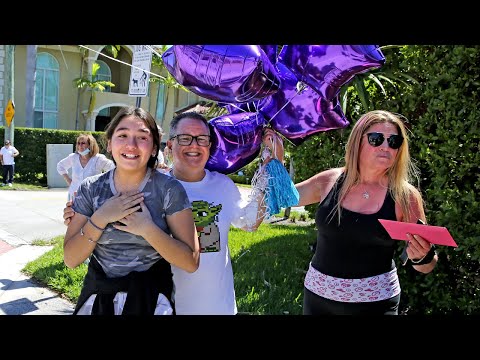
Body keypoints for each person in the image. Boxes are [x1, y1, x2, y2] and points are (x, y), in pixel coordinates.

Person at [64, 111, 280, 315]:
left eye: (201, 139)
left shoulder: (216, 186)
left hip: (212, 304)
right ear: (169, 145)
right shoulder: (150, 186)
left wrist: (269, 167)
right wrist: (93, 216)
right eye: (185, 138)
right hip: (158, 301)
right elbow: (74, 252)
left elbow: (249, 221)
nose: (194, 145)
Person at [292, 110, 438, 315]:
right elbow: (282, 197)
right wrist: (272, 158)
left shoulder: (404, 196)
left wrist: (421, 256)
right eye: (376, 139)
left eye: (394, 142)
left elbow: (426, 266)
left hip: (375, 305)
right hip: (317, 300)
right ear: (357, 142)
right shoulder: (330, 180)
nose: (386, 147)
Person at [63, 106, 200, 315]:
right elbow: (71, 259)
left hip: (152, 301)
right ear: (109, 143)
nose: (131, 144)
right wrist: (101, 217)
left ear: (154, 147)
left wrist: (147, 229)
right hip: (99, 300)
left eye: (142, 137)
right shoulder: (90, 188)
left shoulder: (169, 190)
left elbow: (190, 262)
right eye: (123, 135)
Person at [57, 133, 115, 201]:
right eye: (78, 143)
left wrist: (103, 183)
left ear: (90, 145)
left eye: (83, 143)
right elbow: (60, 166)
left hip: (92, 196)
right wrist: (68, 180)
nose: (80, 145)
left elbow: (113, 168)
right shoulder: (73, 157)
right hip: (74, 195)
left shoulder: (98, 159)